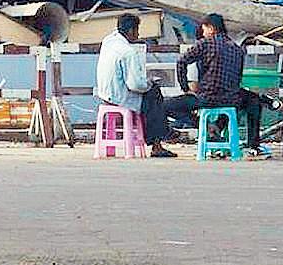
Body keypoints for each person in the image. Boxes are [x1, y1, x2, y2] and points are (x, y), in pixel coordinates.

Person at [164, 13, 266, 157]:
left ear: (211, 28)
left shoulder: (206, 43)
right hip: (231, 99)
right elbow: (237, 78)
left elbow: (181, 62)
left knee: (166, 106)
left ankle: (205, 126)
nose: (203, 33)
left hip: (207, 98)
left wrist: (186, 88)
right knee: (253, 100)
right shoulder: (237, 49)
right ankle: (253, 145)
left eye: (204, 29)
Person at [94, 13, 176, 157]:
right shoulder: (128, 52)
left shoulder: (108, 42)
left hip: (106, 93)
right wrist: (149, 83)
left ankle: (163, 132)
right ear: (131, 30)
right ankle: (157, 142)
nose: (138, 34)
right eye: (137, 30)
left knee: (151, 97)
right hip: (120, 97)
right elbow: (135, 85)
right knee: (154, 94)